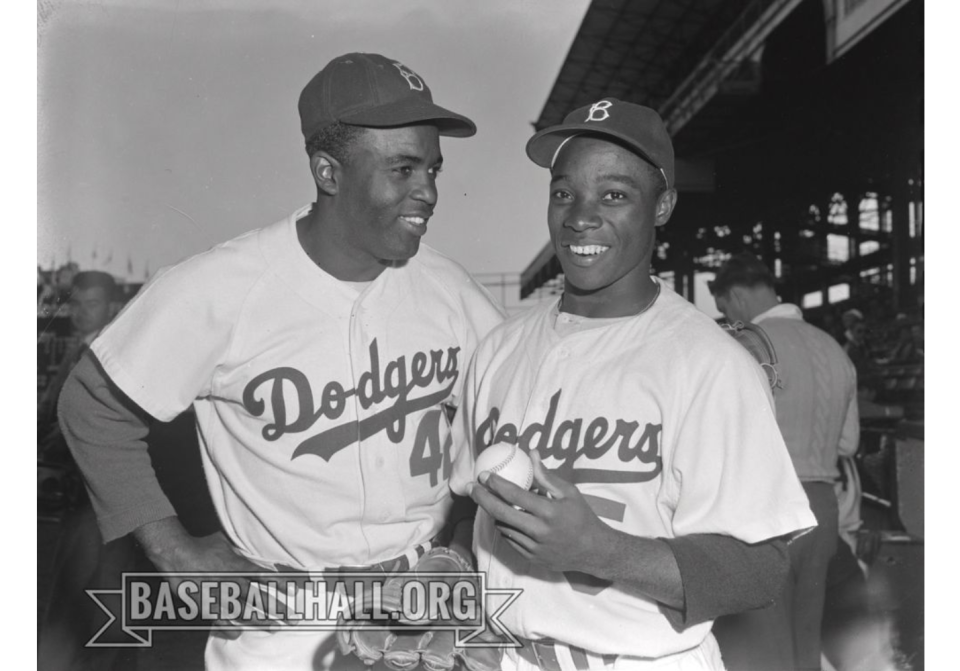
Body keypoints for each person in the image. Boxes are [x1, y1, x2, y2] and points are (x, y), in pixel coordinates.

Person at [58, 51, 505, 671]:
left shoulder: (450, 289)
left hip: (422, 603)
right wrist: (175, 551)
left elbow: (511, 424)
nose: (427, 192)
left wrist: (457, 547)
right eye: (402, 169)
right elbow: (92, 406)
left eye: (432, 168)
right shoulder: (223, 284)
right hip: (284, 619)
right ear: (328, 171)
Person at [449, 99, 816, 671]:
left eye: (614, 195)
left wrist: (602, 552)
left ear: (663, 204)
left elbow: (759, 571)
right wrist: (441, 573)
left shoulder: (708, 362)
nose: (580, 216)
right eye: (564, 193)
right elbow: (463, 511)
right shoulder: (498, 350)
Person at [708, 252, 860, 671]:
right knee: (805, 646)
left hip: (767, 510)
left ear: (734, 295)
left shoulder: (744, 344)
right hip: (821, 511)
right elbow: (848, 443)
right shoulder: (833, 346)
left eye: (724, 308)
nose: (726, 316)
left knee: (761, 653)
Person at [36, 270, 141, 671]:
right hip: (83, 496)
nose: (81, 313)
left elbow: (88, 428)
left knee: (95, 605)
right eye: (75, 303)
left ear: (112, 307)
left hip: (102, 498)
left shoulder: (110, 357)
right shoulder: (80, 350)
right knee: (103, 604)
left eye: (92, 304)